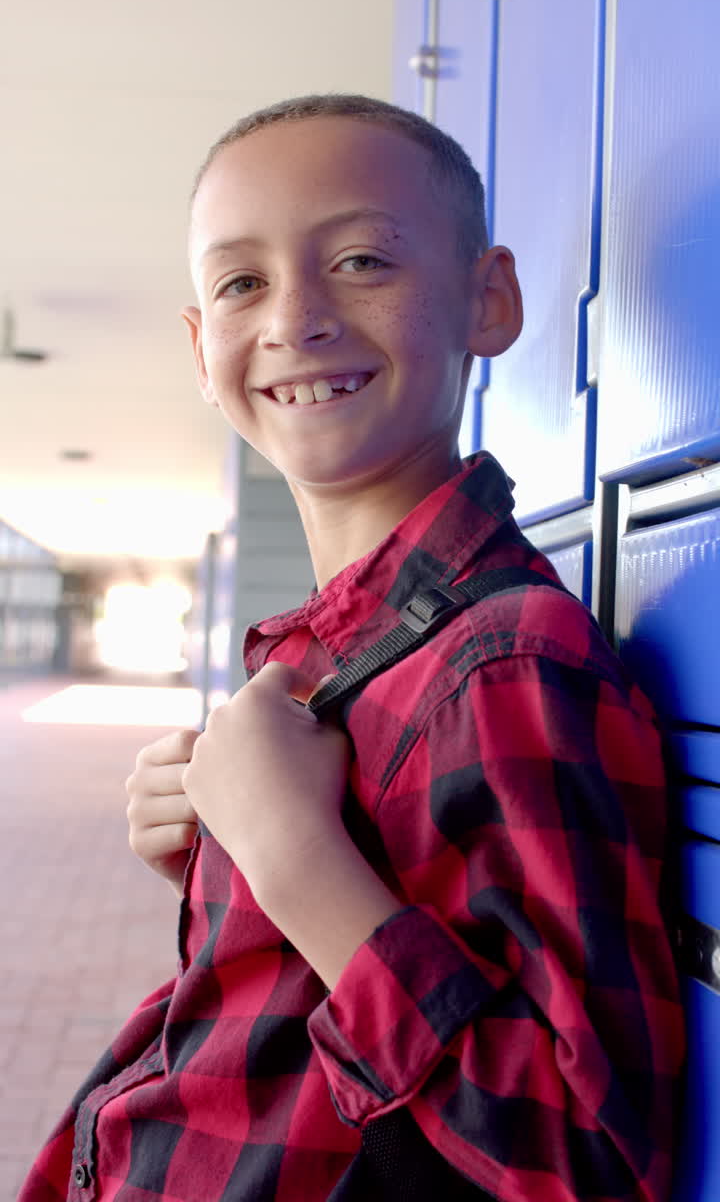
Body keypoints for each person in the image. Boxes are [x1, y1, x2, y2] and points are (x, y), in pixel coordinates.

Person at [20, 94, 684, 1202]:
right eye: (241, 282)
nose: (295, 318)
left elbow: (579, 1163)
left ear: (490, 299)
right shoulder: (338, 658)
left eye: (364, 259)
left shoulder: (503, 663)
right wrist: (227, 856)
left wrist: (287, 852)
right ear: (200, 346)